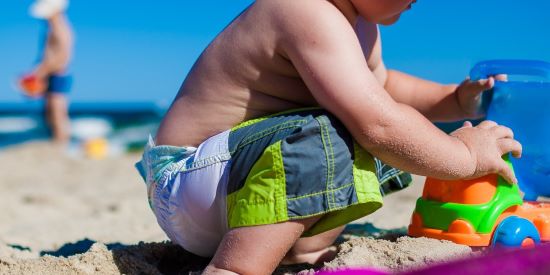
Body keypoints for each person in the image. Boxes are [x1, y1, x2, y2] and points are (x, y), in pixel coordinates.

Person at [135, 0, 522, 274]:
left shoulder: (360, 27)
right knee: (349, 130)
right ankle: (236, 267)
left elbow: (383, 88)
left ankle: (298, 248)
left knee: (373, 128)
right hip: (189, 182)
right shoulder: (306, 10)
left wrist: (454, 99)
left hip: (230, 189)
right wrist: (464, 156)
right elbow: (380, 123)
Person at [19, 0, 73, 144]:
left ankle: (61, 143)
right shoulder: (52, 28)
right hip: (50, 74)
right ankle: (56, 141)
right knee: (50, 112)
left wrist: (40, 71)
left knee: (57, 113)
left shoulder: (60, 28)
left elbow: (62, 57)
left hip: (57, 74)